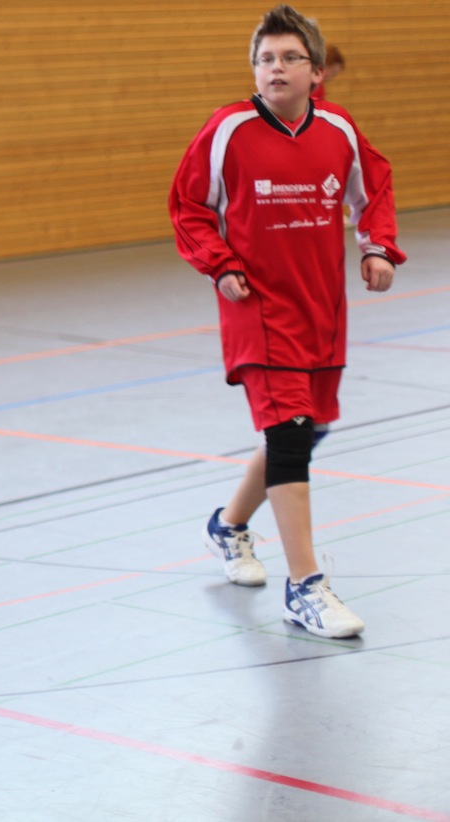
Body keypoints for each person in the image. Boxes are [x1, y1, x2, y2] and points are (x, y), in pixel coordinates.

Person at [169, 4, 405, 639]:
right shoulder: (228, 131)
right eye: (266, 58)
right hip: (258, 310)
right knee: (292, 432)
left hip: (322, 309)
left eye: (290, 57)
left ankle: (228, 524)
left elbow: (373, 188)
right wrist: (218, 265)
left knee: (307, 427)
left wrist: (376, 245)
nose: (276, 67)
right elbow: (188, 207)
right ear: (255, 67)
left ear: (316, 71)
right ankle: (305, 587)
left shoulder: (338, 129)